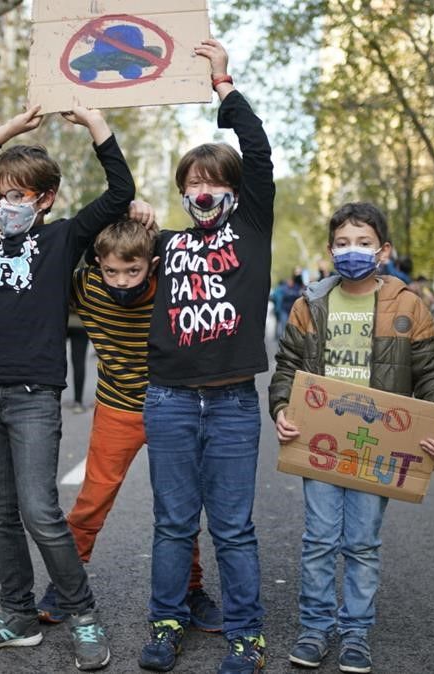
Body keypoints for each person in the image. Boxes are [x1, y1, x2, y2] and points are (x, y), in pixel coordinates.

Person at [0, 102, 133, 671]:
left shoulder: (66, 238)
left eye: (18, 194)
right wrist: (9, 131)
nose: (4, 203)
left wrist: (96, 124)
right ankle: (18, 617)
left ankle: (84, 616)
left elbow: (119, 191)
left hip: (32, 396)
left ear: (45, 199)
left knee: (40, 513)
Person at [269, 201, 434, 673]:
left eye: (363, 243)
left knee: (361, 542)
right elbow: (287, 370)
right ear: (330, 249)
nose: (352, 251)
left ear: (383, 250)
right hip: (319, 441)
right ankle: (315, 628)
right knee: (318, 539)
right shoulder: (308, 304)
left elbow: (432, 374)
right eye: (342, 243)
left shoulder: (408, 305)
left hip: (378, 447)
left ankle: (355, 632)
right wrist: (280, 409)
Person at [139, 39, 273, 674]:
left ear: (233, 191)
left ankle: (246, 636)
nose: (203, 190)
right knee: (172, 525)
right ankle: (166, 623)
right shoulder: (163, 244)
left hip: (231, 403)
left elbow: (261, 153)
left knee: (233, 528)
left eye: (215, 181)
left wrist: (223, 84)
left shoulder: (252, 230)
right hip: (166, 398)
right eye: (193, 183)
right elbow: (110, 244)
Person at [35, 210, 222, 636]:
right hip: (117, 408)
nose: (120, 280)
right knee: (91, 501)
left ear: (152, 263)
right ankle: (66, 585)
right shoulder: (86, 288)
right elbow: (53, 250)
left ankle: (191, 590)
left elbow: (208, 253)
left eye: (132, 270)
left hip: (172, 405)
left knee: (179, 508)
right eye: (111, 270)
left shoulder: (171, 287)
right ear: (98, 265)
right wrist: (114, 211)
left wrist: (152, 230)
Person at [66, 307, 90, 413]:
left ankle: (53, 398)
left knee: (56, 360)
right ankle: (78, 402)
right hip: (81, 322)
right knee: (79, 362)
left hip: (63, 321)